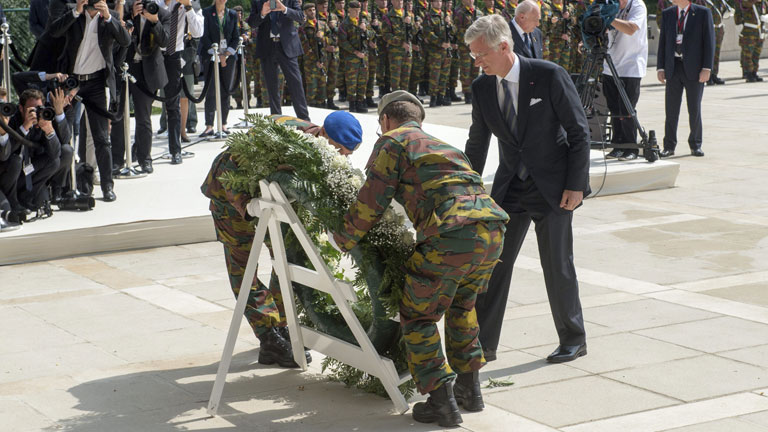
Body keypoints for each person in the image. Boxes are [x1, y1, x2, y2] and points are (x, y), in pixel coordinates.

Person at [330, 91, 507, 427]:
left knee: (418, 315)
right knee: (462, 306)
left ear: (385, 120)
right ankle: (470, 390)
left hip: (452, 236)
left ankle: (441, 402)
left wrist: (343, 237)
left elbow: (372, 200)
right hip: (492, 232)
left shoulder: (393, 142)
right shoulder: (446, 147)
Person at [464, 15, 591, 364]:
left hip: (554, 187)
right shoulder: (482, 87)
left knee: (557, 265)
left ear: (504, 46)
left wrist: (576, 185)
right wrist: (464, 188)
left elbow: (578, 132)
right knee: (493, 264)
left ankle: (573, 338)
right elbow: (477, 143)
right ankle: (483, 345)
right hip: (510, 188)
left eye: (480, 54)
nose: (476, 62)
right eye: (473, 55)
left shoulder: (548, 75)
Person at [201, 111, 363, 368]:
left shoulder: (322, 150)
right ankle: (268, 335)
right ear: (324, 134)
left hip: (270, 201)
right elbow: (233, 163)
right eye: (340, 150)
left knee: (286, 259)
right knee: (243, 268)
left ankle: (280, 326)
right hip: (230, 197)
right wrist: (247, 204)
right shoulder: (284, 135)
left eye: (347, 154)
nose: (342, 157)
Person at [49, 0, 132, 202]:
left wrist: (109, 17)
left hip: (95, 82)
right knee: (66, 135)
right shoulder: (73, 13)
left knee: (101, 138)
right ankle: (64, 187)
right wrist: (77, 11)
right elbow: (54, 32)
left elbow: (125, 41)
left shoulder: (110, 17)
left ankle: (107, 186)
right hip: (71, 81)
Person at [657, 0, 714, 158]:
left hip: (694, 69)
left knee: (694, 109)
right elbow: (663, 41)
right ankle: (669, 146)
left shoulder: (703, 13)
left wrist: (707, 68)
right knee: (671, 110)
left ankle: (696, 144)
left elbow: (709, 41)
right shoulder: (668, 13)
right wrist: (661, 67)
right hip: (673, 67)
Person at [121, 0, 171, 174]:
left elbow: (164, 41)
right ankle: (117, 160)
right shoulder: (126, 10)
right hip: (126, 67)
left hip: (147, 71)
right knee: (118, 117)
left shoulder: (162, 14)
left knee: (143, 118)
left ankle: (145, 160)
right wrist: (132, 17)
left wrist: (154, 21)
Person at [248, 0, 311, 121]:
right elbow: (251, 23)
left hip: (287, 46)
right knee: (272, 87)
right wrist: (262, 13)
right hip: (267, 47)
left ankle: (304, 120)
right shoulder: (257, 1)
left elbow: (301, 17)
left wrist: (284, 9)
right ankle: (277, 121)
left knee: (296, 84)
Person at [602, 0, 648, 161]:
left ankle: (631, 147)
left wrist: (608, 18)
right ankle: (618, 145)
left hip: (631, 66)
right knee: (614, 108)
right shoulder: (610, 5)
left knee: (627, 109)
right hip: (610, 65)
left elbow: (631, 28)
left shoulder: (637, 5)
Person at [161, 0, 203, 163]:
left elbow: (198, 32)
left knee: (174, 105)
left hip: (174, 55)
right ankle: (141, 153)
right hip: (152, 55)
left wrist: (188, 7)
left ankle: (175, 151)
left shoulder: (192, 4)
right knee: (144, 105)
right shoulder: (155, 2)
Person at [199, 0, 239, 137]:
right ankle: (209, 126)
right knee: (210, 90)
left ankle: (223, 124)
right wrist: (216, 54)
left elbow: (236, 37)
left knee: (225, 90)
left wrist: (226, 54)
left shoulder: (232, 14)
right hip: (211, 56)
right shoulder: (206, 12)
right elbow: (204, 36)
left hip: (228, 57)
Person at [339, 1, 370, 113]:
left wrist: (365, 30)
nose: (357, 12)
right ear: (349, 10)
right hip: (351, 58)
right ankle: (352, 103)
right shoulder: (344, 24)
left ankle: (360, 102)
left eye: (358, 10)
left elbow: (373, 35)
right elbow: (343, 42)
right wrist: (355, 52)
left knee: (363, 81)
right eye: (354, 10)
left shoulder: (363, 22)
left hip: (363, 57)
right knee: (351, 82)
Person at [735, 0, 766, 82]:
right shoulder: (747, 2)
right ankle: (748, 74)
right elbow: (745, 5)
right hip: (749, 32)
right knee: (748, 55)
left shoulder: (763, 3)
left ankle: (754, 72)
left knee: (756, 54)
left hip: (759, 32)